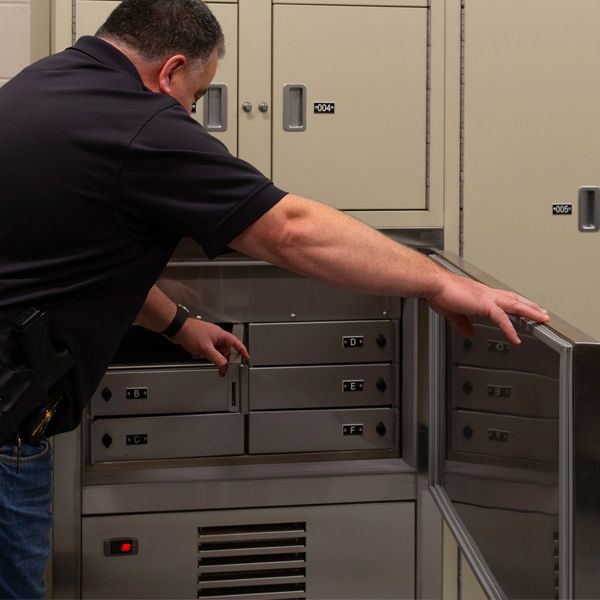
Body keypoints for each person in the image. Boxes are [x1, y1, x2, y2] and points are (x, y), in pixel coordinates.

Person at [0, 0, 549, 597]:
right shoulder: (140, 123)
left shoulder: (39, 86)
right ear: (170, 70)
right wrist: (442, 282)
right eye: (198, 94)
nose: (192, 112)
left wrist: (180, 324)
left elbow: (80, 263)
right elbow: (291, 228)